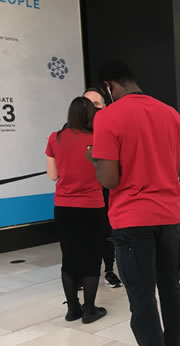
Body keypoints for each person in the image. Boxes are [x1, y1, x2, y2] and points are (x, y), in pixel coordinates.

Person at [90, 60, 180, 346]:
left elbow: (110, 178)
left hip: (132, 221)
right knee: (170, 284)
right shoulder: (170, 114)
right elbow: (179, 166)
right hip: (168, 217)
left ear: (109, 86)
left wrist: (96, 160)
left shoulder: (107, 117)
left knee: (142, 295)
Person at [46, 97, 107, 325]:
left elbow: (53, 175)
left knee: (69, 257)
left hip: (64, 207)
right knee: (92, 258)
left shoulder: (55, 138)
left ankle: (73, 309)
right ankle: (90, 309)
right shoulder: (98, 139)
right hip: (92, 207)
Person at [82, 88, 121, 288]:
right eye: (87, 103)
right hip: (82, 195)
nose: (91, 109)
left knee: (107, 232)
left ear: (105, 106)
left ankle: (109, 270)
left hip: (105, 190)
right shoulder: (70, 131)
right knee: (84, 235)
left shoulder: (110, 128)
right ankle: (85, 272)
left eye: (96, 105)